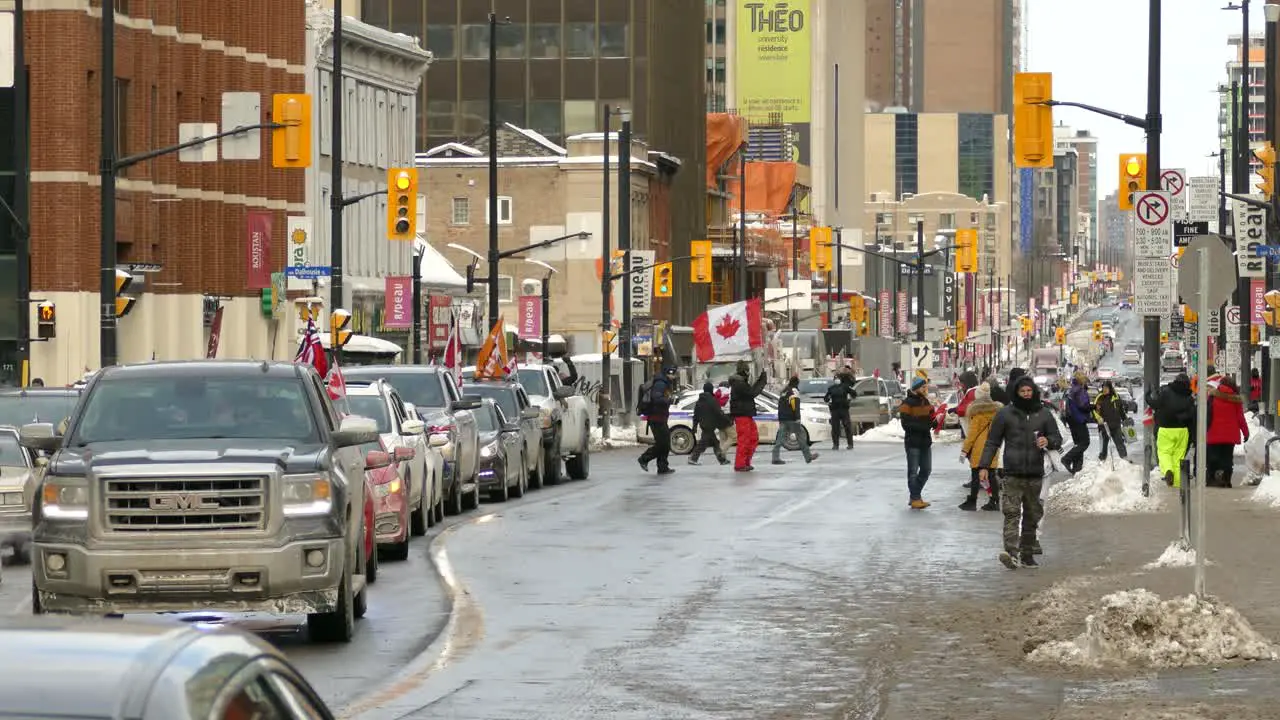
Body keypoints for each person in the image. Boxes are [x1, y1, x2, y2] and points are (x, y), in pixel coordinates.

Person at [978, 375, 1063, 569]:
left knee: (1032, 515)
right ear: (1016, 393)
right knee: (1011, 513)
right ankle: (1011, 552)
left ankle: (1026, 554)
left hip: (1035, 473)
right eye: (1022, 391)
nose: (1026, 394)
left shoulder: (1043, 414)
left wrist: (1048, 441)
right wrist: (984, 466)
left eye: (1028, 391)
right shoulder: (1005, 414)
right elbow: (992, 442)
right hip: (1012, 472)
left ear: (1033, 392)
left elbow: (1056, 437)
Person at [959, 381, 1002, 511]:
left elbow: (972, 435)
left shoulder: (977, 414)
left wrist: (964, 450)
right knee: (991, 475)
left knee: (975, 474)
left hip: (979, 449)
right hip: (994, 447)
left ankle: (972, 501)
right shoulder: (997, 412)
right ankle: (994, 501)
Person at [1151, 373, 1196, 489]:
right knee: (1178, 457)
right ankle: (1177, 484)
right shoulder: (1189, 397)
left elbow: (1155, 404)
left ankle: (1168, 471)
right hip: (1182, 431)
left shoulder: (1166, 392)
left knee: (1164, 453)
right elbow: (1192, 415)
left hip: (1166, 428)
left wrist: (1147, 396)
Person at [1205, 375, 1249, 488]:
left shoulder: (1212, 397)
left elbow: (1207, 414)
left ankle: (1212, 479)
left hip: (1213, 433)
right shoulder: (1236, 400)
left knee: (1213, 458)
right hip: (1230, 434)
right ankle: (1226, 479)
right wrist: (1246, 432)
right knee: (1227, 458)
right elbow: (1240, 418)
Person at [899, 377, 936, 509]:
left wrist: (935, 421)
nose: (925, 389)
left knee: (926, 469)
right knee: (913, 471)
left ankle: (915, 495)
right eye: (923, 387)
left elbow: (932, 416)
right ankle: (915, 498)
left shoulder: (925, 401)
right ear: (916, 388)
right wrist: (924, 425)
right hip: (913, 442)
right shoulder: (907, 403)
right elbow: (906, 424)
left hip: (925, 441)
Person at [637, 366, 678, 475]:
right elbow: (657, 398)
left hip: (659, 417)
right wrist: (669, 400)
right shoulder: (661, 383)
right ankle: (644, 458)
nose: (674, 377)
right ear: (669, 373)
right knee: (663, 444)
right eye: (673, 374)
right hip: (656, 418)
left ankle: (663, 467)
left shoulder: (663, 382)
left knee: (665, 443)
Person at [729, 362, 768, 472]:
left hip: (746, 414)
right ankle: (740, 464)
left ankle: (745, 462)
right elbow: (752, 393)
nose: (749, 373)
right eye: (748, 370)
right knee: (744, 440)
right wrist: (762, 381)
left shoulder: (740, 382)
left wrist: (761, 380)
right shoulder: (739, 383)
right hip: (742, 415)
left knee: (753, 438)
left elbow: (750, 392)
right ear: (745, 371)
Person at [772, 376, 819, 465]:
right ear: (797, 383)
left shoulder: (784, 391)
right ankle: (808, 456)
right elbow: (795, 406)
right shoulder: (794, 391)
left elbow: (780, 405)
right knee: (801, 437)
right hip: (792, 419)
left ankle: (775, 457)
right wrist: (797, 418)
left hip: (783, 418)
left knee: (780, 438)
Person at [689, 381, 731, 466]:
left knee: (715, 443)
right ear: (711, 389)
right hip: (710, 425)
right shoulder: (712, 400)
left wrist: (695, 426)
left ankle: (722, 460)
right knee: (703, 443)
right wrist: (727, 420)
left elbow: (696, 415)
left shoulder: (699, 401)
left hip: (704, 425)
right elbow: (719, 413)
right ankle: (693, 458)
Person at [1059, 372, 1094, 474]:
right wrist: (1093, 406)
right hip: (1078, 419)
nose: (1087, 383)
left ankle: (1077, 468)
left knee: (1078, 444)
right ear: (1082, 381)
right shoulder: (1079, 390)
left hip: (1071, 419)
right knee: (1084, 443)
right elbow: (1083, 405)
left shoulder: (1072, 389)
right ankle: (1066, 459)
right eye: (1086, 381)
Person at [1093, 380, 1129, 462]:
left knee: (1119, 443)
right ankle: (1102, 461)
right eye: (1103, 388)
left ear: (1110, 388)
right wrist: (1098, 418)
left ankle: (1124, 460)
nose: (1104, 390)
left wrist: (1125, 419)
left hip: (1116, 425)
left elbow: (1121, 410)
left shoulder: (1116, 397)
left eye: (1106, 388)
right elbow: (1095, 411)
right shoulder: (1100, 397)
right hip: (1104, 426)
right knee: (1104, 446)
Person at [823, 372, 856, 450]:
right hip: (835, 410)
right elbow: (826, 398)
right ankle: (835, 444)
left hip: (844, 409)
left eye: (838, 379)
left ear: (840, 380)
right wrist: (828, 399)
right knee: (835, 428)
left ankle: (850, 444)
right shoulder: (831, 388)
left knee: (847, 426)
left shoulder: (845, 387)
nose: (837, 380)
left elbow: (854, 393)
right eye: (835, 379)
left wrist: (849, 400)